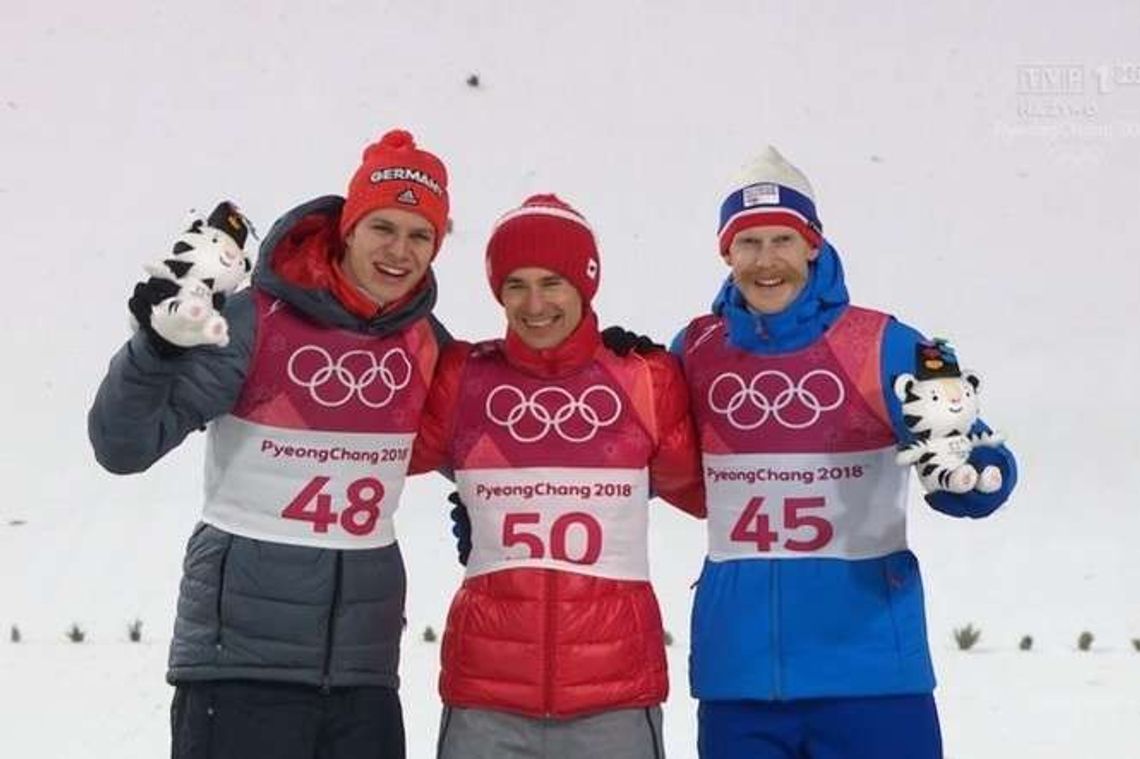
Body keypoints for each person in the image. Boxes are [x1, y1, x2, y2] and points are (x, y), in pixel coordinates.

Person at [88, 129, 451, 759]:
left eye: (420, 235)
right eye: (382, 229)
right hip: (240, 670)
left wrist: (596, 366)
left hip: (363, 678)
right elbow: (124, 445)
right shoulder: (258, 319)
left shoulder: (423, 340)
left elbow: (500, 438)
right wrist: (156, 350)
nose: (400, 251)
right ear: (348, 229)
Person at [673, 147, 1018, 759]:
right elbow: (643, 454)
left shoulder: (881, 343)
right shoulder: (695, 350)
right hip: (740, 678)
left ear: (813, 244)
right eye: (748, 244)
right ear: (726, 254)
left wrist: (972, 478)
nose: (766, 261)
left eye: (782, 239)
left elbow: (973, 453)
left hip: (871, 676)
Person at [411, 194, 705, 759]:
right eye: (515, 284)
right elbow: (377, 445)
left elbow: (710, 492)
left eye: (553, 281)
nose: (535, 303)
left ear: (586, 284)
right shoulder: (465, 379)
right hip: (487, 695)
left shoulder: (644, 380)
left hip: (614, 696)